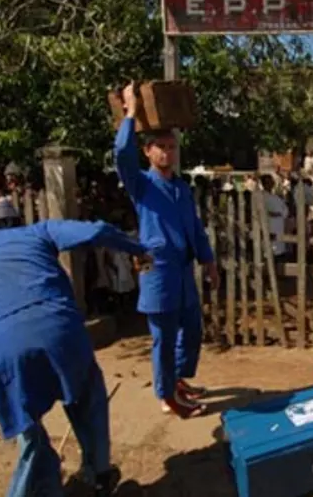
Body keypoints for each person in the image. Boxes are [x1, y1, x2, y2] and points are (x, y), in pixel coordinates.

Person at [0, 198, 149, 497]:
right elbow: (97, 231)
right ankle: (99, 473)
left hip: (5, 347)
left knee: (28, 428)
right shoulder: (38, 233)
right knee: (87, 398)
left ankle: (40, 487)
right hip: (58, 329)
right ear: (17, 220)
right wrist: (138, 249)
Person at [114, 82, 219, 418]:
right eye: (160, 147)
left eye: (172, 147)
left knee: (192, 330)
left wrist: (209, 261)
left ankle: (176, 379)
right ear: (148, 152)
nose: (167, 153)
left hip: (184, 272)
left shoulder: (180, 188)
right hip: (158, 272)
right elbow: (121, 155)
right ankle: (166, 395)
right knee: (164, 337)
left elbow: (195, 228)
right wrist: (131, 114)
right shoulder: (142, 185)